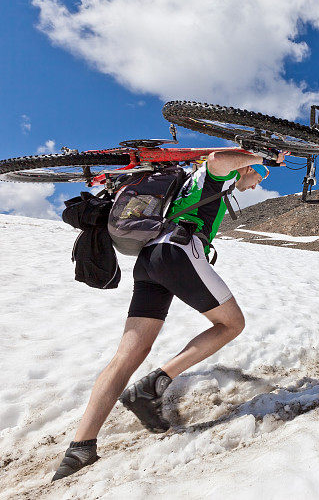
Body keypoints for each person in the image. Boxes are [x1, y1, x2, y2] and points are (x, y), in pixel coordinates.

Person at [51, 149, 285, 481]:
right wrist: (264, 156)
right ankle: (152, 386)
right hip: (178, 252)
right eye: (258, 175)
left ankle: (80, 447)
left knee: (129, 353)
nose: (258, 182)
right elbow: (218, 158)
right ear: (245, 165)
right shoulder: (216, 175)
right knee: (232, 324)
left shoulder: (194, 182)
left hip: (149, 261)